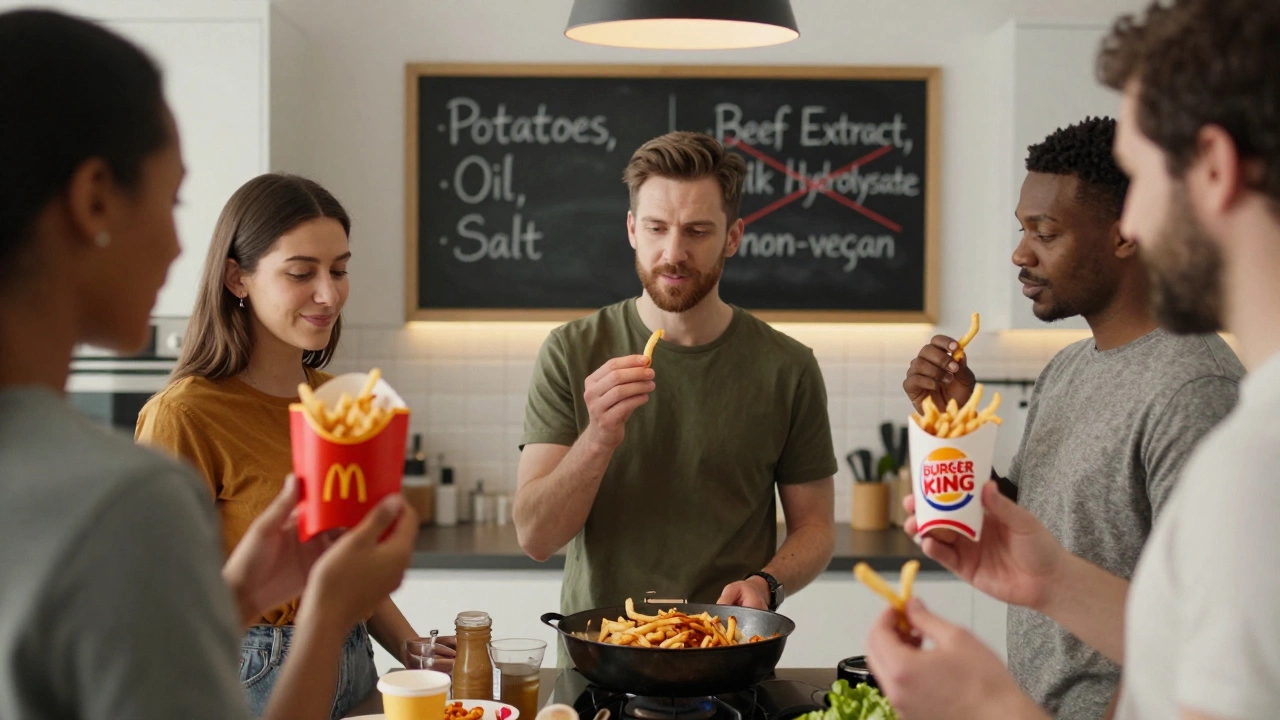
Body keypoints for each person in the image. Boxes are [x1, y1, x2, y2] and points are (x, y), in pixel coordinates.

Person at [0, 9, 418, 720]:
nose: (173, 246)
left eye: (339, 269)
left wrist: (238, 596)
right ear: (94, 197)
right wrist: (322, 611)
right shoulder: (126, 498)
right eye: (173, 199)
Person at [868, 1, 1280, 718]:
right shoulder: (1069, 367)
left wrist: (989, 709)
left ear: (1213, 168)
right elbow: (1183, 628)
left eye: (1143, 177)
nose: (1020, 253)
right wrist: (1046, 573)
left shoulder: (1217, 410)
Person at [902, 116, 1243, 717]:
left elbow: (1205, 626)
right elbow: (1031, 525)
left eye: (1045, 232)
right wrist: (956, 429)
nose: (1020, 252)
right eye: (1021, 228)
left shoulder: (1195, 389)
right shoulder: (1067, 367)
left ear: (1125, 234)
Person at [134, 173, 445, 718]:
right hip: (253, 675)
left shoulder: (340, 404)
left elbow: (344, 568)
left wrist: (412, 650)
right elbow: (157, 610)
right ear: (237, 278)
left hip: (354, 659)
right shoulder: (184, 416)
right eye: (301, 273)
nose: (329, 294)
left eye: (340, 269)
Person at [514, 131, 836, 625]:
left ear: (733, 236)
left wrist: (767, 583)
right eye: (657, 227)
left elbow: (815, 527)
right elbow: (535, 537)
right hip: (599, 656)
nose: (673, 252)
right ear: (631, 230)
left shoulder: (788, 367)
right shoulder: (571, 351)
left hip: (730, 652)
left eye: (698, 231)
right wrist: (598, 437)